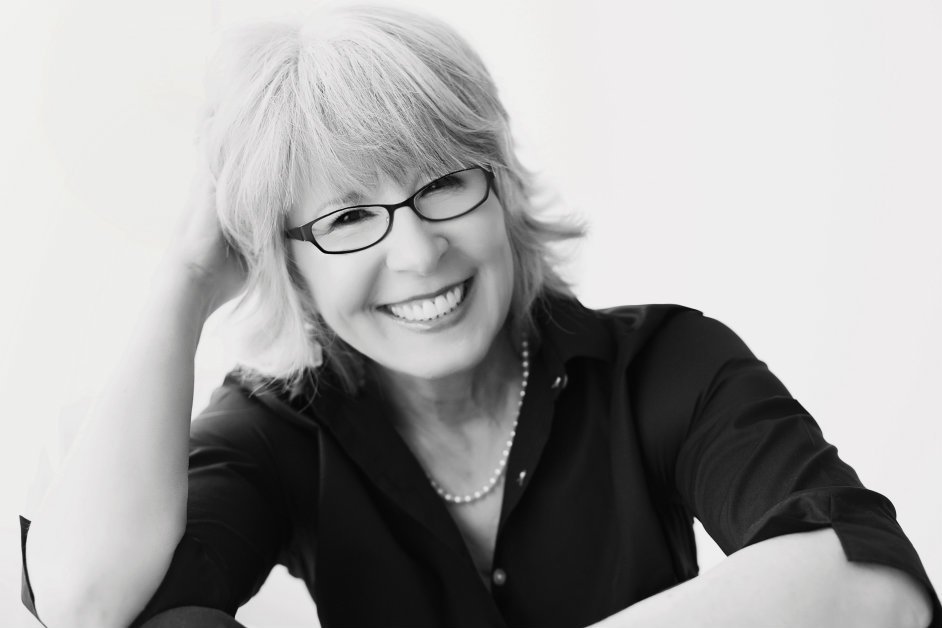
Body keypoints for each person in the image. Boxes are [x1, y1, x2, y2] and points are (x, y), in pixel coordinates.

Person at [19, 5, 938, 628]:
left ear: (501, 183)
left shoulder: (664, 366)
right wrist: (186, 276)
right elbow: (88, 600)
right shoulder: (276, 433)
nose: (417, 254)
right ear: (285, 259)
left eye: (444, 184)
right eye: (346, 219)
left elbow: (879, 592)